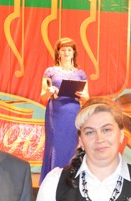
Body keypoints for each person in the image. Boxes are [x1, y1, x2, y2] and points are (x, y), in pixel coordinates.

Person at [39, 37, 89, 184]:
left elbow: (87, 98)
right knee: (55, 145)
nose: (66, 53)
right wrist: (49, 92)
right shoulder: (50, 71)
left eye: (69, 50)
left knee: (72, 145)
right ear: (58, 53)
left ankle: (70, 180)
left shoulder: (80, 74)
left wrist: (83, 96)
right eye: (63, 50)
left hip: (73, 113)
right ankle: (52, 181)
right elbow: (42, 98)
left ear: (73, 53)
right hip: (55, 113)